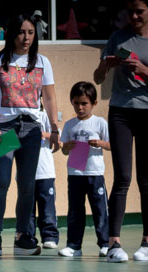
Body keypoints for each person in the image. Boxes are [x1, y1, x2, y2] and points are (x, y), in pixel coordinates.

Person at [93, 0, 148, 262]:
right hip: (121, 112)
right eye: (130, 12)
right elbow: (97, 78)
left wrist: (143, 70)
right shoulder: (117, 37)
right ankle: (113, 243)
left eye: (140, 11)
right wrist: (107, 65)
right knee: (122, 177)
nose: (135, 16)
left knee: (146, 179)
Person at [0, 13, 60, 257]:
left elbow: (48, 97)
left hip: (32, 130)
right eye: (21, 32)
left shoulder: (42, 62)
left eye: (30, 32)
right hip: (6, 129)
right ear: (11, 33)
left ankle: (22, 235)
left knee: (27, 185)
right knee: (2, 182)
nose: (25, 38)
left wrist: (55, 127)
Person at [58, 82, 110, 258]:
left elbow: (112, 145)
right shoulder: (69, 125)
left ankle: (105, 243)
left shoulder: (100, 123)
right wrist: (67, 146)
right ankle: (74, 246)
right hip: (75, 174)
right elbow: (64, 150)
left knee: (100, 210)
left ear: (94, 103)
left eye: (84, 103)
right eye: (76, 103)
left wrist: (100, 143)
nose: (80, 107)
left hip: (95, 174)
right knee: (75, 210)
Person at [30, 111, 59, 250]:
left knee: (47, 207)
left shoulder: (45, 116)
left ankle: (49, 236)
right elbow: (6, 146)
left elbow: (58, 140)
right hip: (26, 173)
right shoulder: (16, 116)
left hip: (45, 171)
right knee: (27, 208)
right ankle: (28, 236)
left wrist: (45, 134)